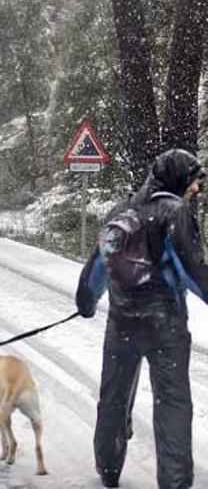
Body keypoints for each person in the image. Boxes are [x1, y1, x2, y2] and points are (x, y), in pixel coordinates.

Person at [77, 148, 208, 489]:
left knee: (114, 396)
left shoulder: (123, 210)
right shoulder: (175, 213)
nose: (195, 189)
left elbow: (98, 265)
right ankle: (175, 482)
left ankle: (108, 468)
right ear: (180, 179)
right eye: (193, 181)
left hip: (121, 324)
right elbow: (194, 273)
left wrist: (88, 301)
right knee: (172, 404)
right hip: (165, 327)